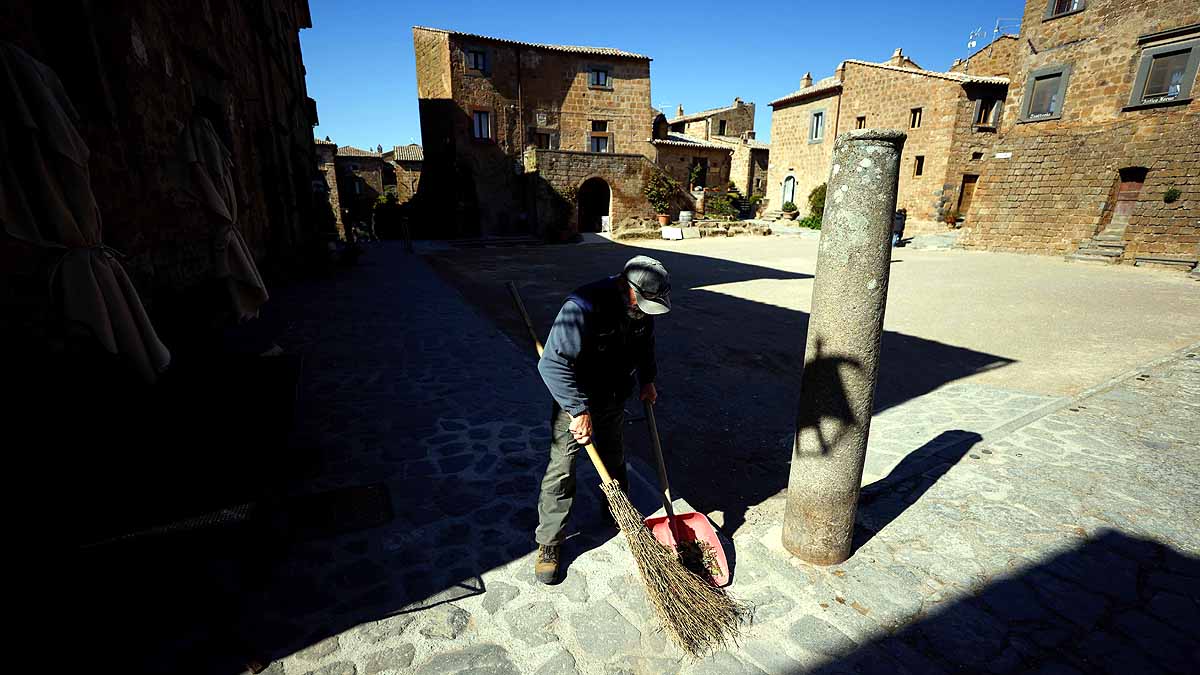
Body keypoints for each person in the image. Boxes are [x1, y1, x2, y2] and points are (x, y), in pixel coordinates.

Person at [532, 255, 671, 584]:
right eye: (645, 301)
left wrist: (648, 379)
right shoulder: (582, 306)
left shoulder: (640, 307)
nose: (647, 310)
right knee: (562, 470)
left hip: (613, 396)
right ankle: (549, 542)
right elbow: (552, 364)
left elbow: (644, 343)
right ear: (627, 287)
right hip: (576, 401)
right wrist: (577, 411)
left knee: (614, 455)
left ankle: (617, 511)